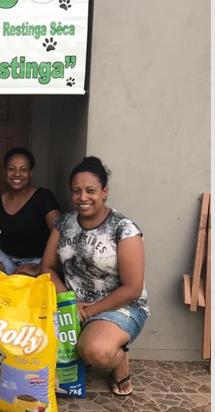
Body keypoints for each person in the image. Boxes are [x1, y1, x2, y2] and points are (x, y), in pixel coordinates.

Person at [39, 156, 149, 397]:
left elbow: (132, 288)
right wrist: (69, 301)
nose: (83, 197)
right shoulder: (64, 223)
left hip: (118, 307)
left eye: (90, 191)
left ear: (104, 191)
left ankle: (119, 360)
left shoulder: (124, 228)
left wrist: (89, 311)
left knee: (96, 350)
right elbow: (46, 267)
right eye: (77, 191)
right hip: (72, 304)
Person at [0, 147, 61, 277]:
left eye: (23, 169)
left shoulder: (44, 197)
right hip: (5, 260)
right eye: (12, 169)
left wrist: (40, 267)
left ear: (31, 173)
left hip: (37, 261)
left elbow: (60, 235)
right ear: (5, 172)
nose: (17, 174)